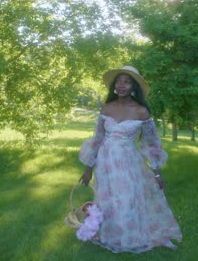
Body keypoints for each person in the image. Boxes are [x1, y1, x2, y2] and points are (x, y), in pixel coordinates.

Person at [78, 65, 182, 253]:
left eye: (127, 81)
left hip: (128, 163)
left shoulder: (141, 111)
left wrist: (157, 174)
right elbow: (97, 139)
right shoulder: (107, 108)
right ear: (114, 86)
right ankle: (111, 237)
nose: (121, 85)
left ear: (134, 86)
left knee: (127, 200)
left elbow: (152, 144)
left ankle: (130, 238)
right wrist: (88, 169)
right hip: (105, 163)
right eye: (119, 81)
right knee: (108, 201)